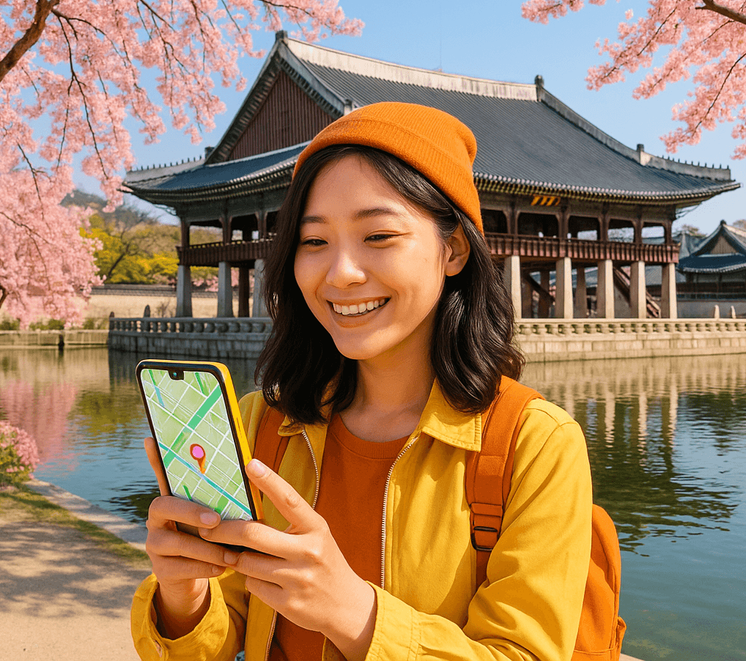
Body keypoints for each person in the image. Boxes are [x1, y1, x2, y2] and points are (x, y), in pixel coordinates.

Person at [131, 102, 592, 661]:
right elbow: (220, 632)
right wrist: (184, 598)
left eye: (378, 236)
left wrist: (353, 612)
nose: (341, 272)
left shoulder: (533, 445)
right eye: (315, 241)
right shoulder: (262, 426)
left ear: (454, 249)